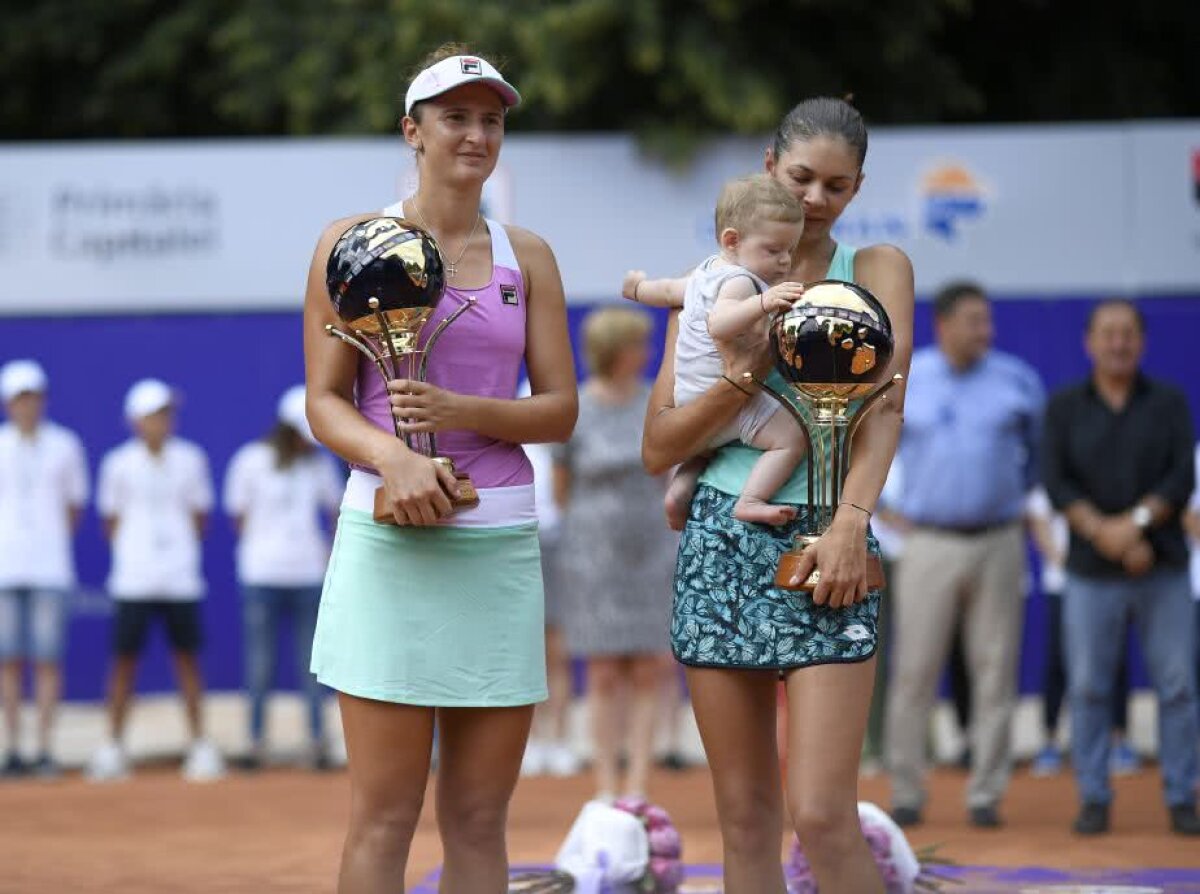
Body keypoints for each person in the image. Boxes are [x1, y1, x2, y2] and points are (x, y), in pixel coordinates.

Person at [303, 45, 577, 893]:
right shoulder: (348, 245)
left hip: (495, 547)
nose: (476, 134)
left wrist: (464, 414)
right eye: (455, 117)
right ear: (411, 131)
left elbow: (559, 410)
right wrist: (394, 459)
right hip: (389, 549)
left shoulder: (526, 256)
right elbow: (324, 400)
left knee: (477, 821)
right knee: (383, 817)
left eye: (491, 120)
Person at [641, 97, 913, 894]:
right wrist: (746, 363)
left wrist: (850, 526)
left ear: (857, 190)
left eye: (836, 185)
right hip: (722, 538)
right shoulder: (712, 284)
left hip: (833, 541)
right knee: (746, 817)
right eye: (800, 178)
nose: (814, 199)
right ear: (769, 168)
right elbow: (660, 445)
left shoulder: (877, 268)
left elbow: (885, 410)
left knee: (825, 815)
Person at [884, 281, 1045, 829]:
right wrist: (883, 508)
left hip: (1000, 539)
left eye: (988, 321)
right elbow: (868, 443)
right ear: (945, 325)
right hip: (928, 542)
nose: (987, 331)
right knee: (914, 671)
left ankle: (986, 793)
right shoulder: (908, 379)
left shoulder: (1017, 381)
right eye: (975, 321)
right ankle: (907, 789)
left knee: (995, 669)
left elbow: (1038, 461)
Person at [1042, 298, 1199, 836]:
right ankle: (1093, 796)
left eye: (1128, 333)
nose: (1118, 342)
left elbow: (1181, 477)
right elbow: (1056, 481)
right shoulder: (1064, 406)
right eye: (1108, 333)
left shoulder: (1170, 402)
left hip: (1163, 566)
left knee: (1177, 686)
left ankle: (1181, 796)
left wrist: (1135, 525)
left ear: (1142, 341)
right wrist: (1103, 533)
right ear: (1089, 343)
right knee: (1087, 686)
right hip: (1090, 568)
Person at [626, 174, 807, 528]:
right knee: (790, 438)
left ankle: (680, 489)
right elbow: (720, 324)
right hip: (723, 396)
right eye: (774, 250)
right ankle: (751, 500)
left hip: (690, 399)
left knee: (708, 446)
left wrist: (636, 288)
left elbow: (666, 292)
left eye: (790, 250)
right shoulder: (742, 281)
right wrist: (764, 301)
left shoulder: (705, 272)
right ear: (732, 240)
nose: (784, 261)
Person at [553, 307, 678, 802]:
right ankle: (605, 785)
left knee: (650, 667)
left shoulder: (656, 403)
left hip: (652, 548)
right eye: (635, 344)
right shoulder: (576, 408)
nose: (644, 354)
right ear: (615, 351)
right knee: (602, 672)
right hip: (592, 555)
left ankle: (639, 786)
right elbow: (563, 489)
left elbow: (672, 473)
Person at [87, 378, 225, 782]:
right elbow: (110, 522)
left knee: (187, 661)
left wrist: (174, 551)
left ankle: (200, 746)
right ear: (136, 421)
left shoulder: (191, 458)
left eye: (167, 413)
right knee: (124, 662)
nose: (163, 421)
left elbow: (201, 517)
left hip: (181, 578)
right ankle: (112, 747)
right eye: (154, 414)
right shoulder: (117, 463)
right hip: (133, 579)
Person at [223, 385, 343, 771]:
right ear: (287, 430)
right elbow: (238, 516)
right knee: (260, 663)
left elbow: (336, 512)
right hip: (261, 575)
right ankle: (256, 742)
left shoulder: (320, 465)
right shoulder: (250, 461)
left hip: (309, 575)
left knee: (313, 665)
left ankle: (316, 743)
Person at [0, 360, 88, 778]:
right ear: (7, 403)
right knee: (8, 662)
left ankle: (44, 749)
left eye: (33, 397)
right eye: (19, 398)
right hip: (4, 570)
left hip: (50, 568)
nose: (26, 405)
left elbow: (74, 508)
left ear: (43, 400)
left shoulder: (65, 445)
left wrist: (46, 542)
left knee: (48, 660)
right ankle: (12, 748)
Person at [1027, 485, 1137, 777]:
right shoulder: (1055, 473)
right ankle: (1050, 741)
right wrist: (1066, 563)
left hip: (1107, 580)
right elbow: (1039, 522)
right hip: (1062, 584)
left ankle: (1119, 740)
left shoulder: (1112, 472)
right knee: (1057, 663)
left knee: (1114, 660)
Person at [517, 379, 581, 779]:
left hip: (555, 546)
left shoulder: (560, 447)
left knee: (555, 648)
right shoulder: (507, 445)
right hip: (515, 545)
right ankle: (532, 741)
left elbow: (566, 499)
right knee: (524, 651)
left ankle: (558, 739)